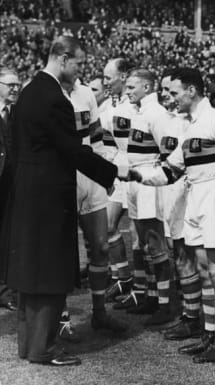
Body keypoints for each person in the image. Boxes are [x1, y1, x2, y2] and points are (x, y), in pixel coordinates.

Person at [1, 35, 120, 366]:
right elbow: (72, 150)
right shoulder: (54, 98)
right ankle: (45, 348)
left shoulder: (28, 92)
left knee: (32, 273)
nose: (80, 70)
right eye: (79, 63)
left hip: (27, 192)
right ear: (64, 58)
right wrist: (112, 173)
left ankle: (31, 345)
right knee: (50, 272)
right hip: (49, 196)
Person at [130, 68, 215, 363]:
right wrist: (131, 173)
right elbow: (170, 171)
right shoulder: (188, 127)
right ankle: (209, 334)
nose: (170, 98)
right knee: (203, 271)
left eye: (174, 92)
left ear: (191, 91)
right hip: (195, 197)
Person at [58, 77, 128, 342]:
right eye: (76, 62)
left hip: (89, 174)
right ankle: (62, 317)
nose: (80, 69)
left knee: (100, 245)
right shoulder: (46, 93)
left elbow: (97, 138)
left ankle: (99, 314)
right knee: (63, 251)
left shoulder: (86, 93)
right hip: (63, 176)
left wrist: (104, 173)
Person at [121, 68, 173, 326]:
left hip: (150, 184)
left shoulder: (157, 114)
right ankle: (151, 297)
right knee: (144, 243)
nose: (128, 91)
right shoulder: (141, 112)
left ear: (148, 87)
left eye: (132, 87)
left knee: (155, 243)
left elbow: (168, 154)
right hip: (135, 181)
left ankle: (164, 304)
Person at [157, 71, 202, 340]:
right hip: (171, 193)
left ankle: (195, 318)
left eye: (172, 91)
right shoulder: (170, 121)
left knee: (191, 258)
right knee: (180, 255)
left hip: (191, 194)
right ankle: (190, 314)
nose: (167, 95)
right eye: (165, 90)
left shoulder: (195, 122)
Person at [100, 58, 139, 307]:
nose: (105, 82)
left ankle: (147, 290)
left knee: (139, 234)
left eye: (108, 77)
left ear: (123, 76)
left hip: (135, 171)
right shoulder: (109, 104)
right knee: (108, 225)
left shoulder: (135, 104)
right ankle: (123, 277)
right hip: (117, 170)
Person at [0, 68, 20, 311]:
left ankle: (5, 290)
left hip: (13, 183)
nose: (15, 88)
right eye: (10, 84)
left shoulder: (18, 113)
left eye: (18, 84)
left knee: (8, 235)